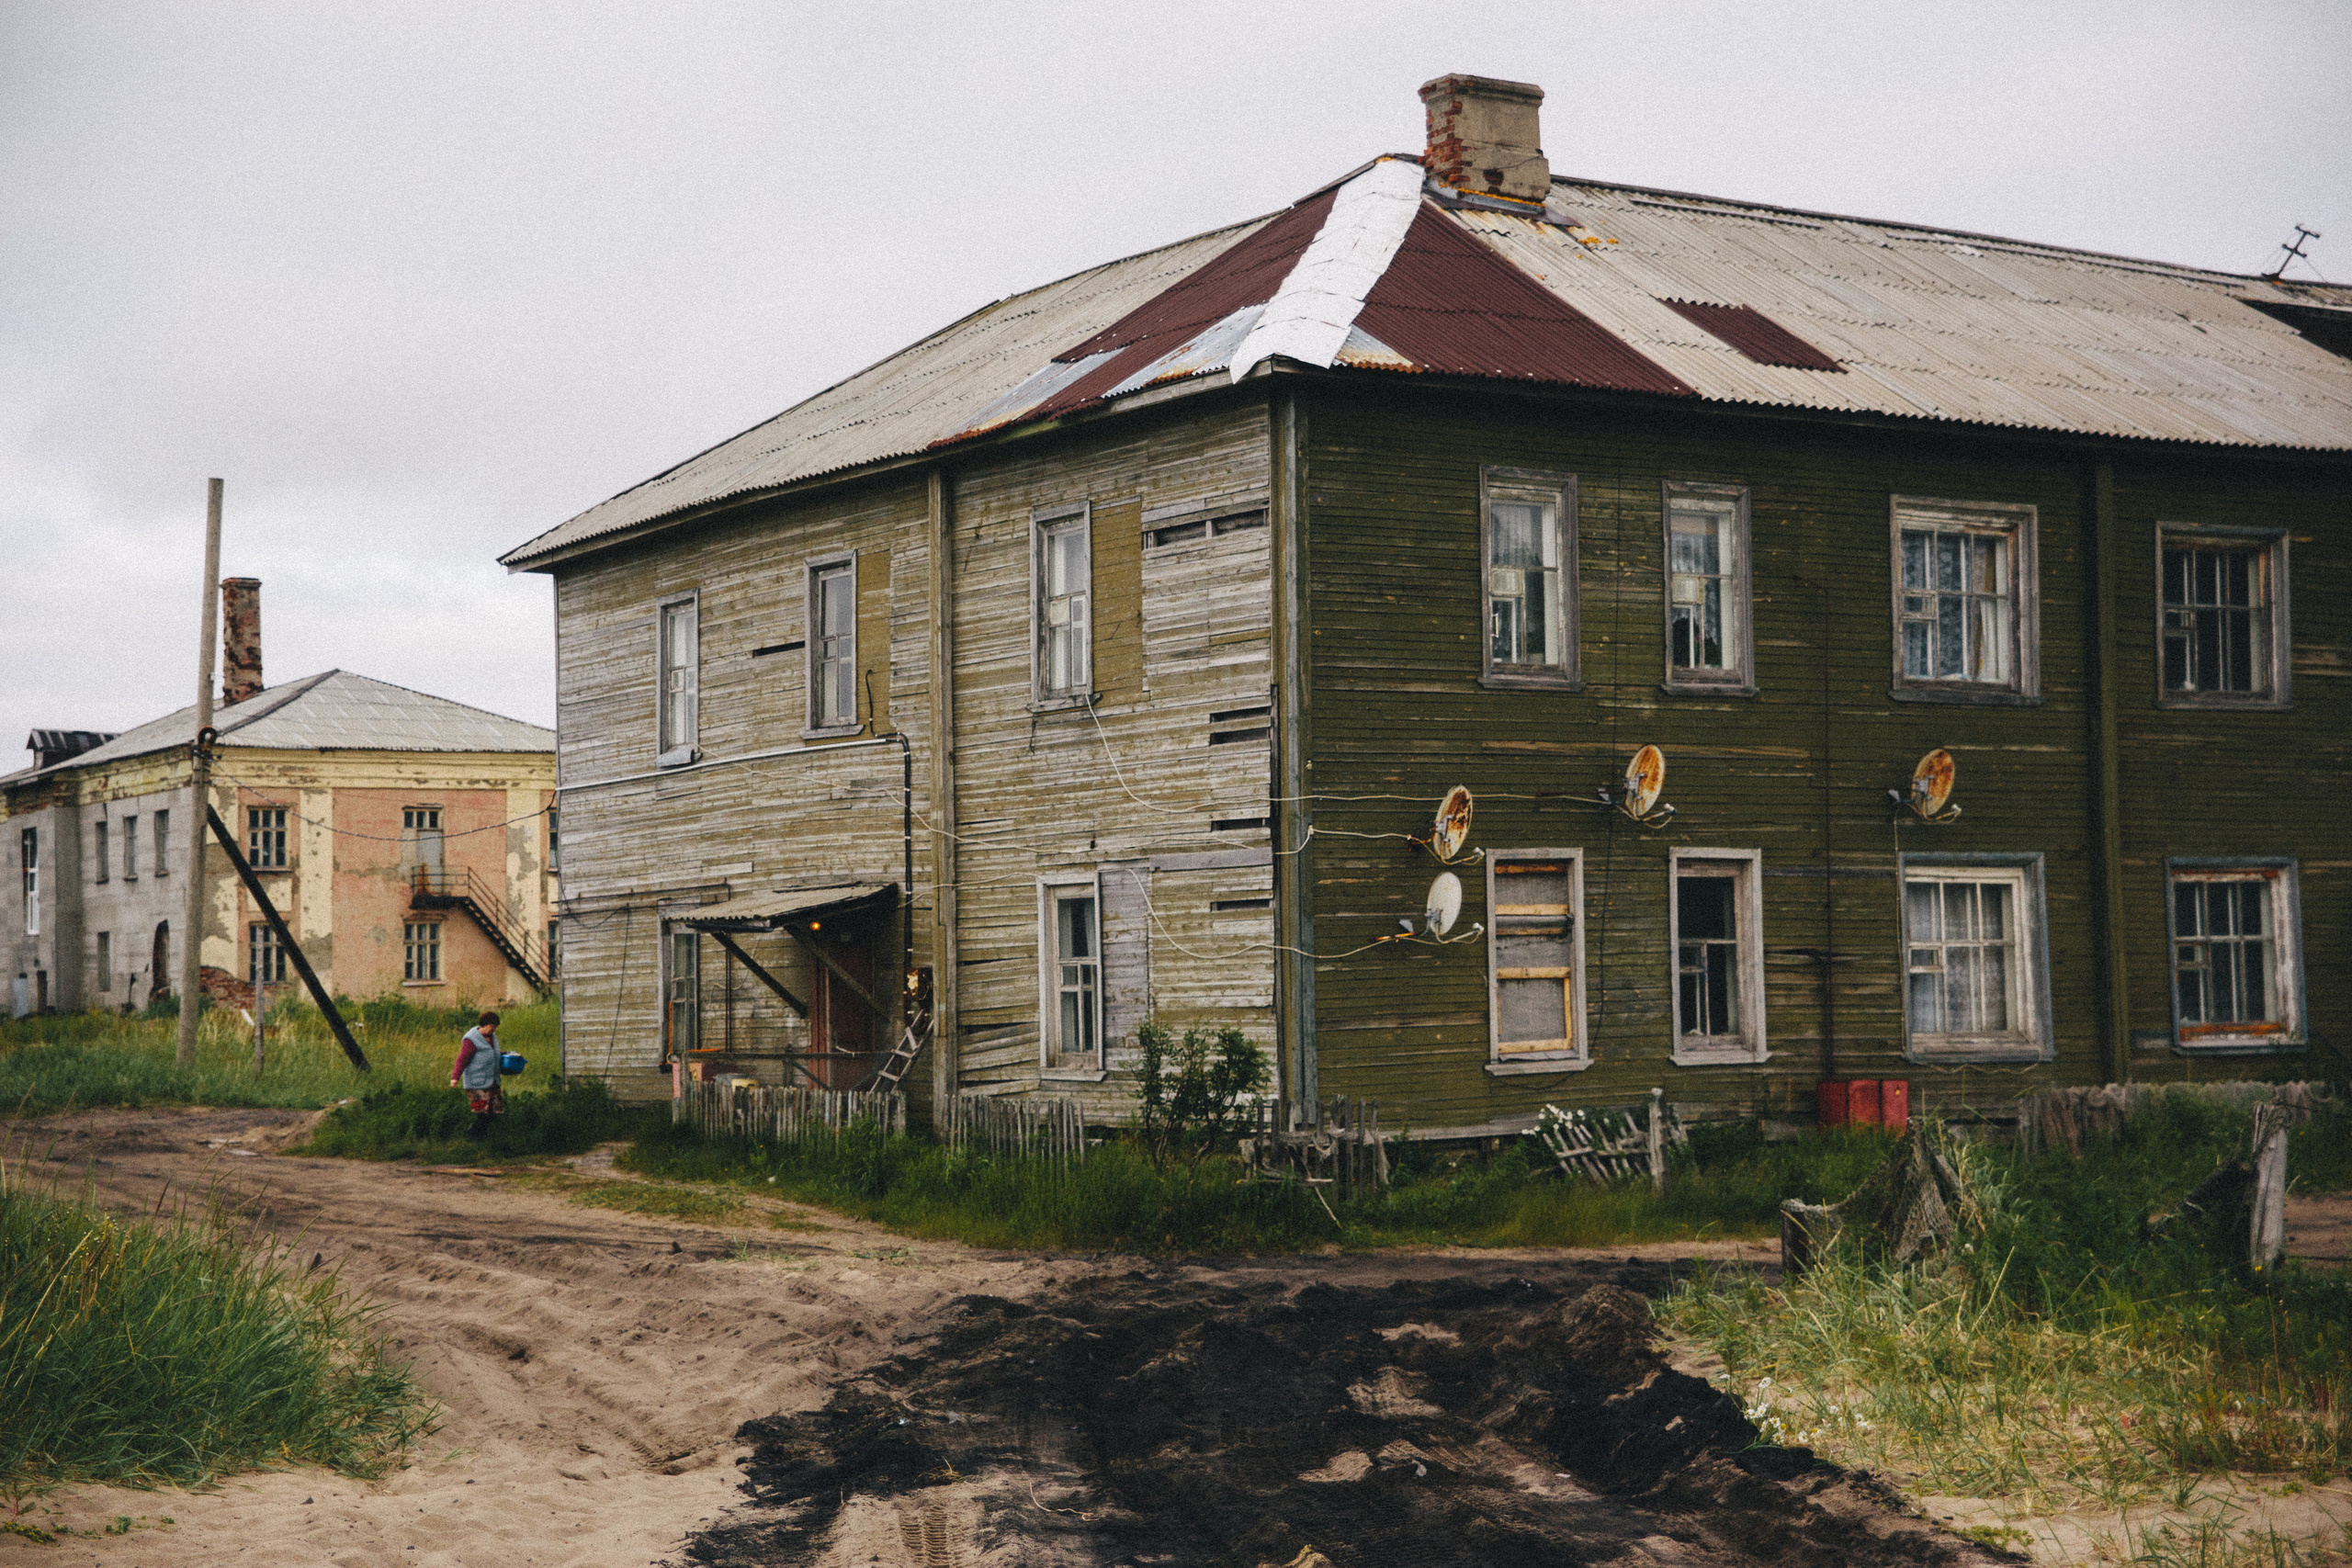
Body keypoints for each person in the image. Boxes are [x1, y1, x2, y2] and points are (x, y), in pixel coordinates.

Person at [450, 1011, 505, 1141]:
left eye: (495, 1027)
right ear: (484, 1025)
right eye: (492, 1026)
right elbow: (462, 1059)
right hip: (477, 1081)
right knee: (483, 1112)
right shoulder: (471, 1039)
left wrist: (503, 1054)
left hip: (492, 1081)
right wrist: (455, 1078)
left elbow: (493, 1052)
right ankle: (475, 1135)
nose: (494, 1029)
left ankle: (478, 1134)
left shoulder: (493, 1037)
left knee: (495, 1111)